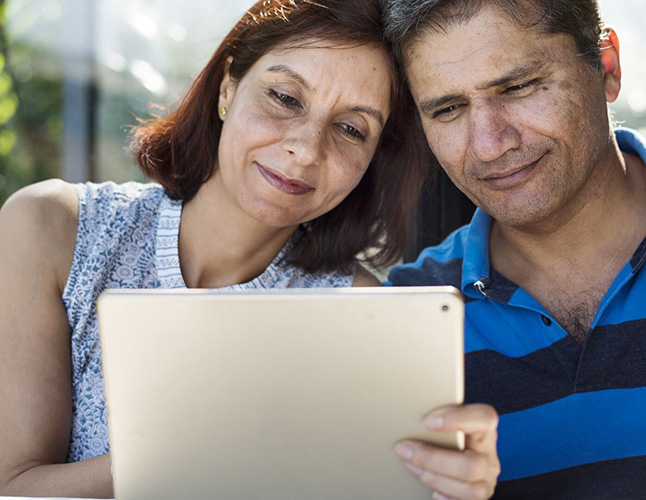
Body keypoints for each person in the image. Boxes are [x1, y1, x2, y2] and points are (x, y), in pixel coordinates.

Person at [0, 1, 499, 498]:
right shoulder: (53, 229)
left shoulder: (356, 310)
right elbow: (13, 487)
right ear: (228, 87)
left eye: (351, 129)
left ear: (372, 160)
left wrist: (444, 489)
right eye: (285, 97)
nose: (305, 149)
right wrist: (217, 447)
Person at [382, 0, 646, 497]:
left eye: (519, 86)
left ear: (607, 67)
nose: (488, 144)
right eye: (448, 109)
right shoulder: (404, 312)